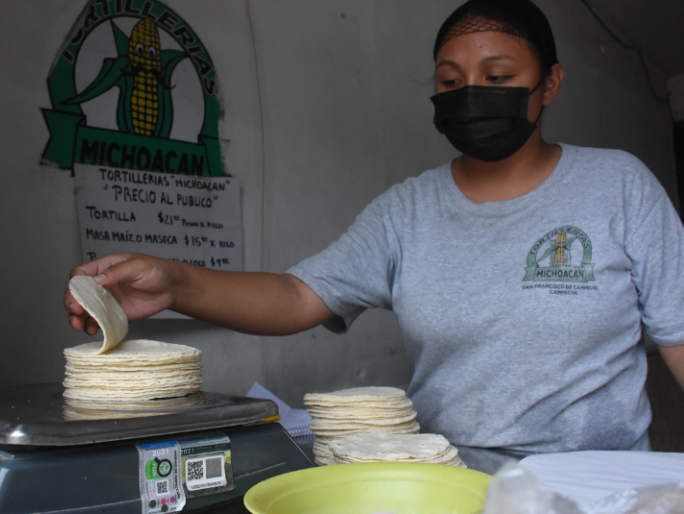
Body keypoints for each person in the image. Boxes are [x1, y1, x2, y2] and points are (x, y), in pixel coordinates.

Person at [65, 0, 684, 453]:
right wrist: (175, 281)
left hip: (601, 488)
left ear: (549, 82)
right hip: (450, 482)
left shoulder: (619, 187)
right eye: (450, 81)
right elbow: (299, 295)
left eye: (498, 79)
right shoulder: (406, 211)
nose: (472, 94)